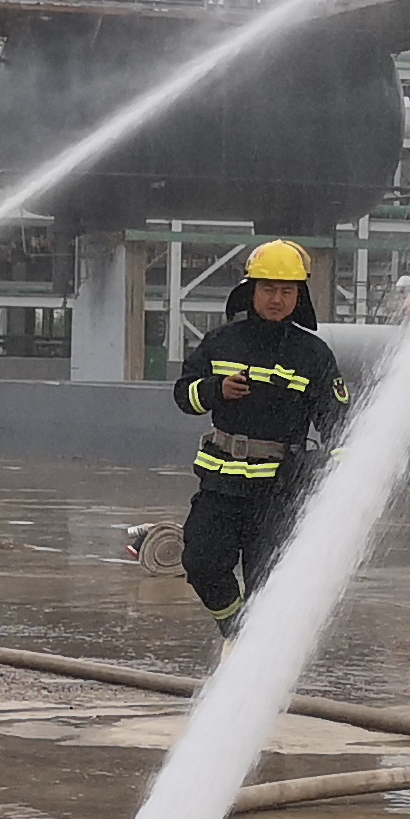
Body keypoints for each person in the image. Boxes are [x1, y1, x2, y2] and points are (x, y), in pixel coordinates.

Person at [171, 238, 350, 639]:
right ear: (250, 290)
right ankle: (237, 630)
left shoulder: (313, 355)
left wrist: (344, 478)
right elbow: (184, 395)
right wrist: (216, 390)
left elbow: (337, 420)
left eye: (287, 291)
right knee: (202, 562)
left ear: (299, 296)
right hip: (221, 484)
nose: (277, 299)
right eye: (268, 289)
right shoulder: (220, 342)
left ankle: (255, 645)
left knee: (268, 583)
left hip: (278, 492)